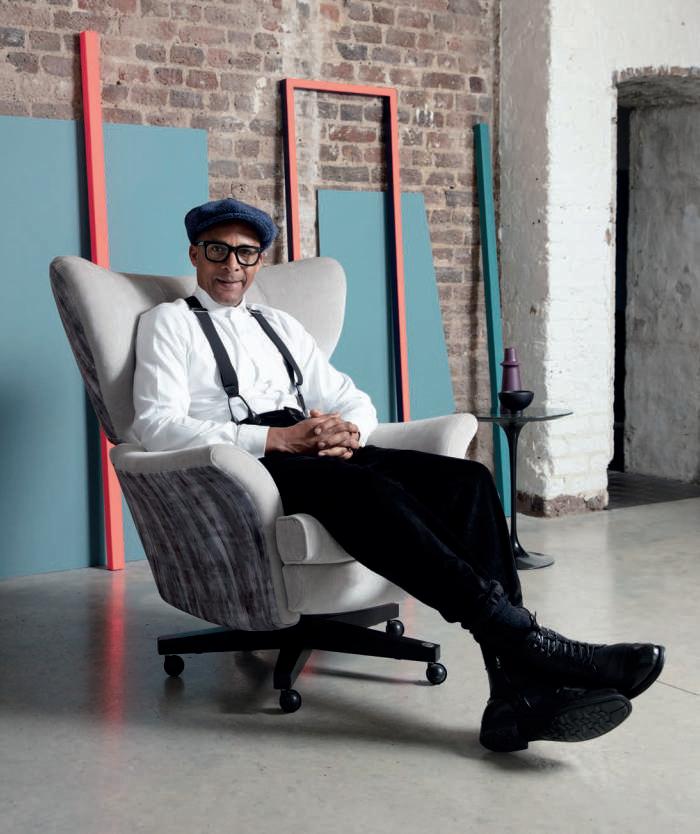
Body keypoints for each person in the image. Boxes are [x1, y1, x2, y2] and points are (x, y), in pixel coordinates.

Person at [132, 198, 665, 753]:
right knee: (368, 490)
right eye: (217, 251)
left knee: (469, 482)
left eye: (246, 253)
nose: (232, 266)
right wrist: (278, 440)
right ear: (194, 254)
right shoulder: (168, 323)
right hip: (251, 465)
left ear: (259, 261)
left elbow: (349, 396)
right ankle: (531, 644)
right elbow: (155, 424)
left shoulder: (278, 325)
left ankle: (513, 697)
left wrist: (346, 432)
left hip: (318, 448)